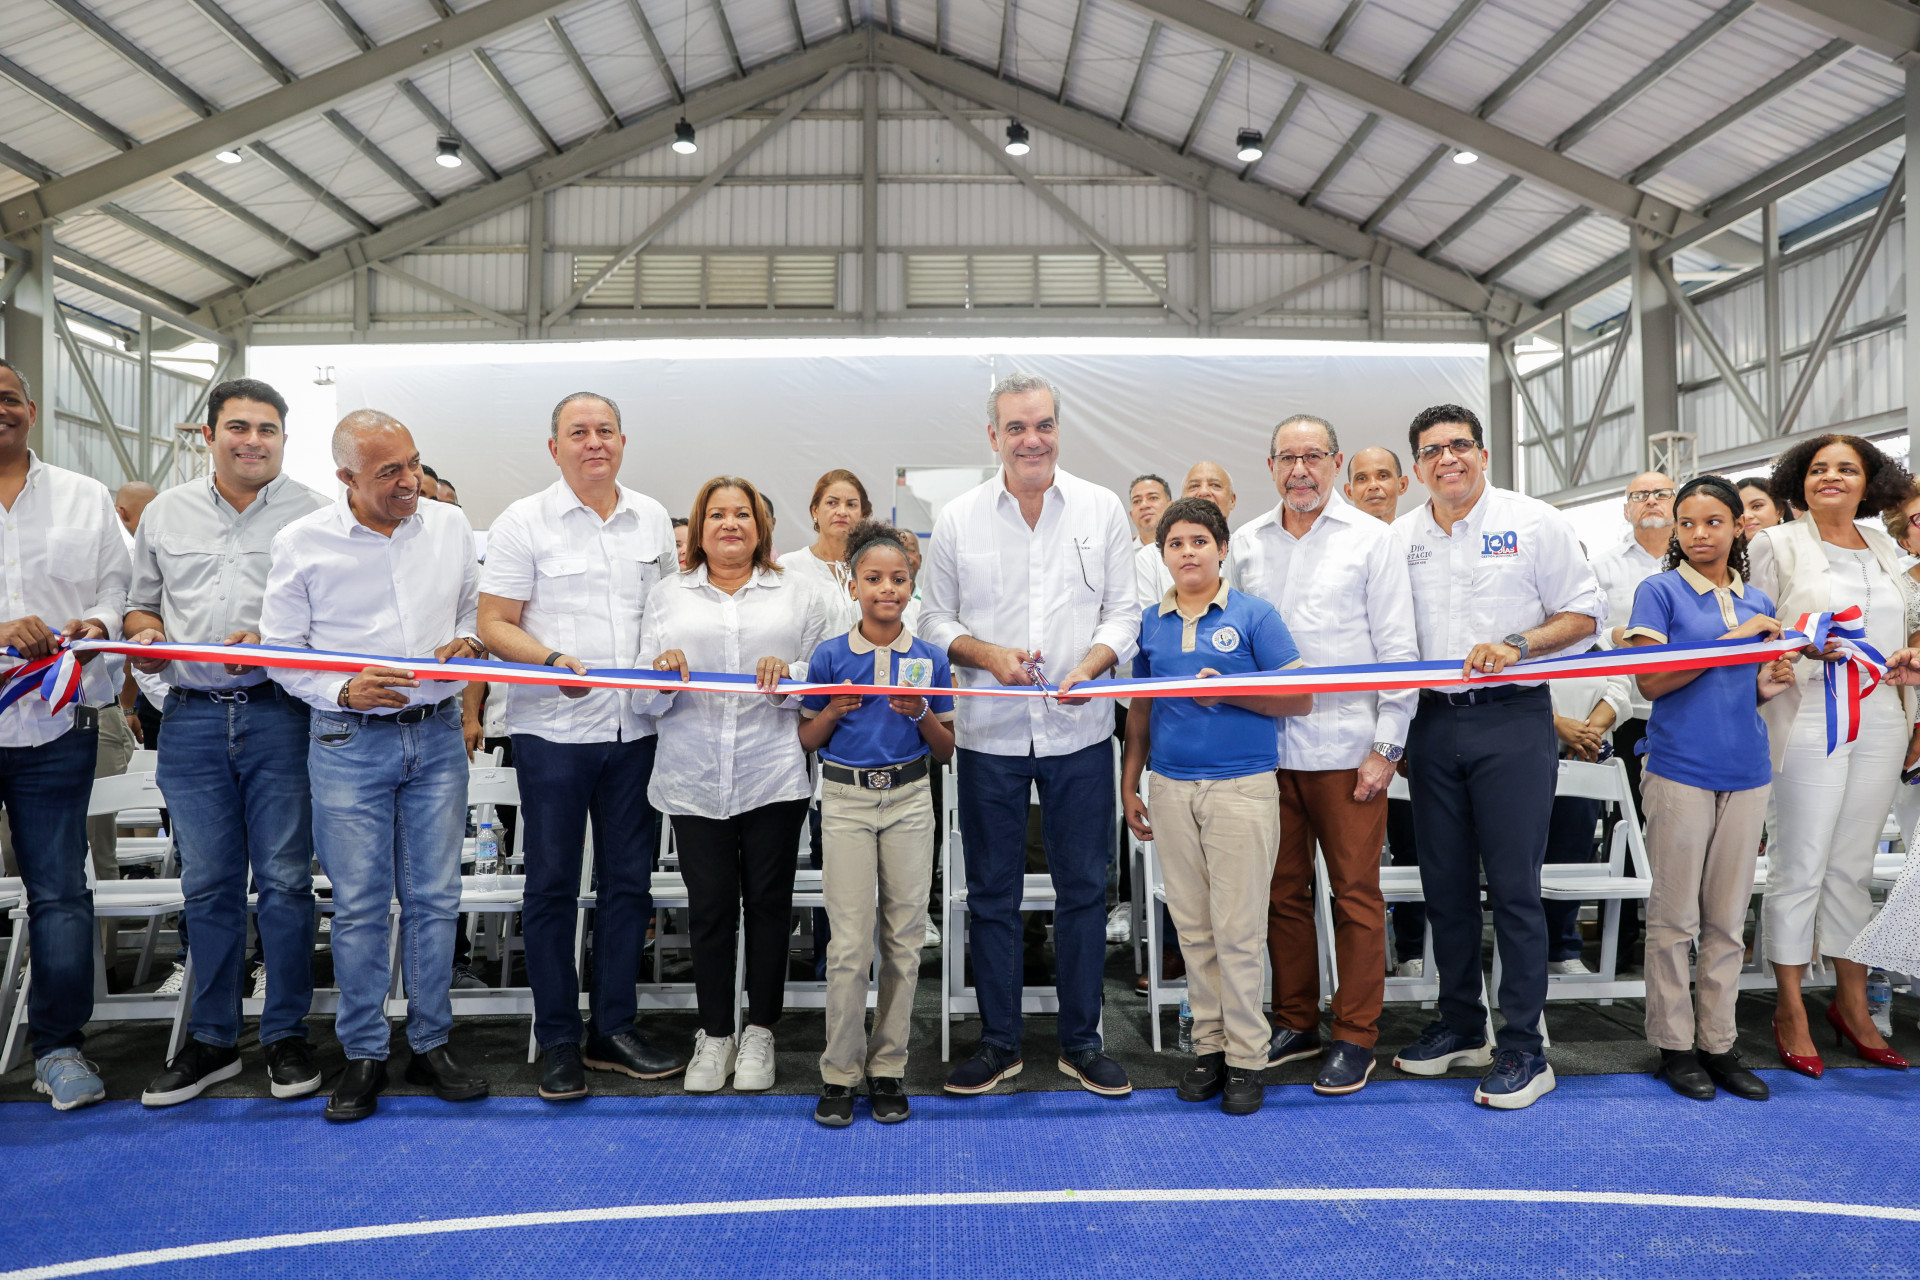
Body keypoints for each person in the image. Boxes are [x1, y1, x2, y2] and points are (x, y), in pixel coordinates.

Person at [260, 410, 488, 1123]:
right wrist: (340, 689)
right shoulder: (302, 541)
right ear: (346, 478)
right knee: (359, 904)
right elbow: (280, 651)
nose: (410, 480)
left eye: (413, 463)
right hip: (347, 738)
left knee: (435, 898)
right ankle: (363, 1051)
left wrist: (468, 642)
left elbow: (473, 612)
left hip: (437, 734)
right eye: (390, 471)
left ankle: (430, 1043)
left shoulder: (450, 526)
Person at [921, 372, 1139, 1099]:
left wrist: (1092, 664)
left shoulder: (1102, 509)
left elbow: (1124, 613)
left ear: (1058, 429)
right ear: (994, 436)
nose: (1031, 439)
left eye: (1043, 424)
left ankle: (1083, 1042)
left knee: (1085, 891)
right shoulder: (959, 519)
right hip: (990, 735)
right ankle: (999, 1043)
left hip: (1081, 732)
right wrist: (988, 656)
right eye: (1016, 427)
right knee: (992, 895)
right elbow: (934, 619)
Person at [1388, 403, 1606, 1110]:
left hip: (1513, 719)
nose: (1446, 458)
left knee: (1514, 888)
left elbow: (1585, 613)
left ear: (1483, 454)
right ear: (1417, 466)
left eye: (1459, 445)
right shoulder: (1398, 539)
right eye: (1432, 450)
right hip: (1431, 722)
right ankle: (1461, 1024)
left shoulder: (1534, 522)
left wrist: (1518, 644)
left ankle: (1523, 1047)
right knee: (1444, 886)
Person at [125, 378, 329, 1108]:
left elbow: (336, 623)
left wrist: (273, 644)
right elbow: (140, 605)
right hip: (191, 718)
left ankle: (285, 1036)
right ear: (209, 435)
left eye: (267, 429)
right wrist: (147, 635)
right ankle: (211, 1039)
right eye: (238, 427)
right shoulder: (166, 513)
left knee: (285, 883)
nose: (253, 441)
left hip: (283, 716)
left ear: (284, 439)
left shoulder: (317, 515)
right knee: (207, 885)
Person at [476, 392, 686, 1102]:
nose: (594, 442)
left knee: (629, 885)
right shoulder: (523, 521)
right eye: (579, 432)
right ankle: (560, 1038)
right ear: (554, 447)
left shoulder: (651, 518)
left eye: (605, 431)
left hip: (637, 730)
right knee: (552, 886)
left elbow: (667, 612)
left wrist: (670, 655)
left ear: (623, 441)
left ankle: (614, 1029)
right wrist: (547, 660)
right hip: (554, 732)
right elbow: (494, 623)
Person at [1234, 414, 1416, 1096]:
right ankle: (1296, 1021)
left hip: (1348, 750)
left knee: (1356, 896)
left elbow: (1399, 650)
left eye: (1313, 457)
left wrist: (1386, 746)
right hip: (1266, 751)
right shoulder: (1247, 543)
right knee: (1280, 894)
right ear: (1270, 466)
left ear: (1336, 463)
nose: (1300, 470)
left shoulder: (1373, 539)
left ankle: (1356, 1035)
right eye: (1288, 458)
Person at [641, 476, 828, 1094]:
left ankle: (762, 1032)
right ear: (698, 527)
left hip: (772, 770)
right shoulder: (667, 595)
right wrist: (662, 675)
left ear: (760, 526)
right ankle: (716, 1032)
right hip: (693, 773)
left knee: (770, 906)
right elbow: (642, 692)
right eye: (717, 514)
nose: (730, 524)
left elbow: (822, 676)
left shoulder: (798, 593)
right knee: (710, 908)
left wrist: (788, 674)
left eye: (742, 514)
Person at [1124, 498, 1308, 1115]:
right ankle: (1209, 1048)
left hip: (1242, 789)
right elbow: (1141, 707)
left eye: (1199, 541)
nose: (1188, 552)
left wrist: (1231, 692)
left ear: (1222, 549)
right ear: (1162, 555)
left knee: (1238, 930)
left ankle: (1248, 1057)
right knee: (1193, 929)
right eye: (1175, 543)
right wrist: (1130, 781)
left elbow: (1301, 699)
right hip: (1171, 789)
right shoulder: (1150, 623)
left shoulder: (1255, 615)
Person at [1748, 434, 1917, 1074]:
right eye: (1819, 468)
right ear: (1801, 479)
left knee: (1852, 866)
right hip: (1808, 712)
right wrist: (1796, 645)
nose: (1832, 477)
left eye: (1847, 469)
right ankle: (1790, 1007)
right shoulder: (1775, 543)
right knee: (1800, 863)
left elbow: (1906, 621)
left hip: (1882, 713)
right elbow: (1757, 630)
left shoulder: (1886, 546)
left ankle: (1852, 1003)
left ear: (1869, 482)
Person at [1622, 475, 1793, 1102]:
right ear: (1674, 529)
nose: (1699, 534)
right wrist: (1733, 644)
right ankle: (1674, 1045)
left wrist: (1761, 687)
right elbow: (1651, 682)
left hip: (1747, 769)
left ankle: (1718, 1043)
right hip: (1678, 768)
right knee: (1674, 919)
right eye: (1687, 523)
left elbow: (1731, 689)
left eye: (1713, 522)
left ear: (1738, 527)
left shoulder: (1758, 599)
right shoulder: (1659, 591)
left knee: (1726, 920)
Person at [0, 357, 129, 1111]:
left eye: (8, 397)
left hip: (57, 723)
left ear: (31, 406)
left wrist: (100, 624)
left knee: (59, 891)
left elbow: (117, 585)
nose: (0, 409)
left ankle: (58, 1048)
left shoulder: (85, 496)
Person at [799, 520, 954, 1126]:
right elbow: (807, 738)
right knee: (848, 944)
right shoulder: (830, 655)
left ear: (912, 586)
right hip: (845, 801)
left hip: (910, 799)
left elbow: (946, 749)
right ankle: (839, 1073)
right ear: (853, 585)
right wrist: (833, 710)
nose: (887, 588)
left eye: (898, 579)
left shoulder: (930, 657)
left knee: (904, 939)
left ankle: (887, 1067)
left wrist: (921, 715)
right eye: (873, 578)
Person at [1591, 472, 1677, 820]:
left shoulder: (1698, 561)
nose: (1651, 500)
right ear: (1627, 510)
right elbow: (1584, 630)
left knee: (1682, 813)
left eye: (1661, 493)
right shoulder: (1600, 568)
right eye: (1640, 495)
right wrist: (1614, 635)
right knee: (1625, 817)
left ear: (1677, 504)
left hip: (1688, 704)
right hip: (1626, 708)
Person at [1134, 461, 1236, 608]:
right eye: (1194, 486)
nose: (1204, 492)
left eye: (1215, 485)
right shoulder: (1148, 557)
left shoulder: (1246, 546)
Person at [780, 470, 870, 635]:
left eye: (851, 505)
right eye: (832, 503)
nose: (842, 511)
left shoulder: (873, 567)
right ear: (815, 511)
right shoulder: (789, 567)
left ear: (862, 515)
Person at [1343, 447, 1409, 524]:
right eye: (1362, 478)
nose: (1373, 486)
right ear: (1349, 492)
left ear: (1402, 485)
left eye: (1383, 476)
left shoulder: (1416, 531)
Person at [1127, 474, 1171, 549]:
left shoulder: (1188, 548)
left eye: (1153, 498)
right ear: (1131, 515)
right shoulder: (1122, 552)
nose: (1144, 505)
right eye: (1137, 501)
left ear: (1171, 506)